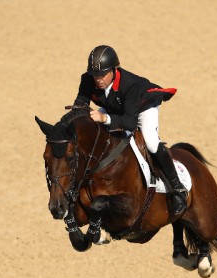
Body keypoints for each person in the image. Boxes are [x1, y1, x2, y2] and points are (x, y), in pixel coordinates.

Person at [73, 45, 187, 216]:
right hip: (115, 106)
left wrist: (105, 118)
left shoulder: (129, 85)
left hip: (141, 108)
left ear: (114, 70)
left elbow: (130, 122)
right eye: (95, 75)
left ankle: (178, 189)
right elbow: (80, 105)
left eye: (102, 74)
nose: (98, 80)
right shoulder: (88, 79)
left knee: (150, 141)